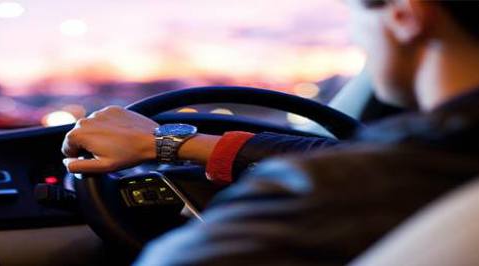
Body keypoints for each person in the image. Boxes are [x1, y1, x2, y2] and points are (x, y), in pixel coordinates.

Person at [62, 0, 479, 265]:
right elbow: (340, 151)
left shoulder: (325, 199)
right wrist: (173, 145)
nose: (355, 35)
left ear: (405, 15)